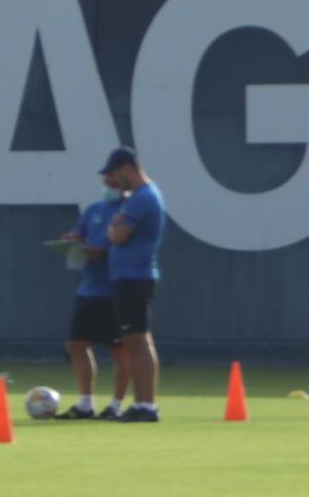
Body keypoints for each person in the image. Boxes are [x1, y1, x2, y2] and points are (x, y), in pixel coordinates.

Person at [57, 171, 131, 419]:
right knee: (76, 344)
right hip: (88, 288)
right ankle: (85, 403)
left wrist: (102, 252)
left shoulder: (130, 210)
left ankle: (116, 405)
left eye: (113, 180)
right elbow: (79, 233)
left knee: (119, 349)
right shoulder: (94, 209)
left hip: (114, 290)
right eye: (106, 180)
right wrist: (71, 239)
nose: (107, 185)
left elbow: (127, 245)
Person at [103, 146, 165, 422]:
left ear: (127, 168)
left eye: (116, 174)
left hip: (135, 278)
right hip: (131, 277)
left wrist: (113, 224)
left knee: (138, 342)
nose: (115, 182)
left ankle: (147, 406)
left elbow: (117, 235)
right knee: (135, 341)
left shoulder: (142, 198)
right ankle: (141, 404)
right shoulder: (139, 197)